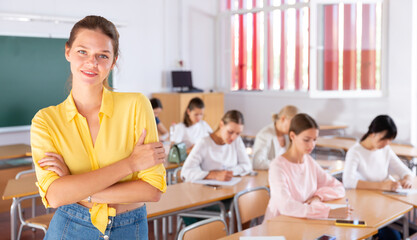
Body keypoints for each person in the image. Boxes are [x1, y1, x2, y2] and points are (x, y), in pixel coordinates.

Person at [30, 15, 166, 239]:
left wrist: (76, 189)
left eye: (102, 55)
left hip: (129, 228)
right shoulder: (45, 121)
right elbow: (55, 197)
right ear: (68, 52)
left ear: (113, 62)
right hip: (70, 227)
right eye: (82, 51)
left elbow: (152, 190)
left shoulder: (136, 105)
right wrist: (131, 163)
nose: (92, 62)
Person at [264, 113, 348, 221]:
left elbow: (338, 187)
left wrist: (318, 196)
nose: (312, 145)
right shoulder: (277, 166)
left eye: (314, 139)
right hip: (280, 223)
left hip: (303, 222)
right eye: (306, 140)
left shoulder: (308, 161)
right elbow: (286, 206)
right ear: (292, 136)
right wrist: (327, 212)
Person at [343, 115, 413, 240]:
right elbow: (348, 182)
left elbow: (405, 171)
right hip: (364, 207)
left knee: (401, 231)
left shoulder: (385, 149)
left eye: (389, 140)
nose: (386, 143)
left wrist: (407, 178)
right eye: (383, 139)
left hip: (384, 206)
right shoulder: (355, 152)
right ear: (372, 133)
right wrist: (382, 185)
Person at [181, 110, 252, 182]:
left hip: (230, 188)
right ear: (221, 125)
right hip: (206, 190)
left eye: (238, 133)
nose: (233, 137)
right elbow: (186, 172)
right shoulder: (204, 143)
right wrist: (214, 175)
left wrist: (228, 173)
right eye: (230, 132)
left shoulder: (237, 141)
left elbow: (247, 166)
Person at [252, 105, 299, 170]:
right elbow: (257, 163)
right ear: (283, 119)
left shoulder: (288, 135)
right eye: (292, 124)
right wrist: (283, 165)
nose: (294, 128)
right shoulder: (264, 135)